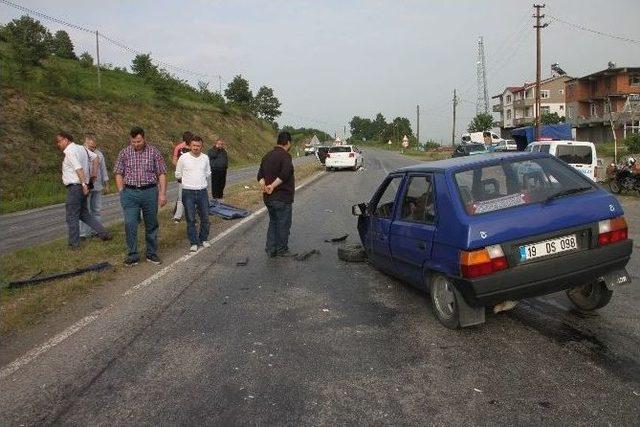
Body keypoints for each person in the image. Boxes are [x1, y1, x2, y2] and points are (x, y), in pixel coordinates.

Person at [114, 127, 168, 266]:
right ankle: (132, 254)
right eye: (133, 142)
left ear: (144, 138)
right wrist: (121, 192)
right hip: (130, 193)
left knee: (151, 224)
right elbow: (119, 173)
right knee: (130, 223)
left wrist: (162, 194)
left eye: (138, 141)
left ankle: (151, 253)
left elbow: (161, 173)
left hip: (149, 192)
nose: (136, 144)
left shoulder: (154, 152)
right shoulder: (124, 153)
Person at [55, 131, 112, 250]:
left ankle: (74, 244)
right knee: (84, 214)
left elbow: (79, 169)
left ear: (66, 140)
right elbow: (96, 158)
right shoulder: (82, 148)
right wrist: (93, 176)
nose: (58, 144)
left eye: (59, 141)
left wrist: (83, 184)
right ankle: (103, 233)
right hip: (83, 185)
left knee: (72, 216)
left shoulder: (70, 151)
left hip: (76, 187)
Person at [257, 131, 295, 257]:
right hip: (282, 197)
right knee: (283, 223)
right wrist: (272, 186)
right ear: (288, 143)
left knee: (273, 222)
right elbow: (285, 173)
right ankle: (281, 250)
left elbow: (260, 176)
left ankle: (270, 249)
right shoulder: (285, 156)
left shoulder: (267, 156)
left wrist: (264, 186)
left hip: (268, 198)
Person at [175, 135, 211, 252]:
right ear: (190, 145)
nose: (196, 148)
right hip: (188, 192)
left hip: (202, 191)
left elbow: (207, 172)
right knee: (190, 218)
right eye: (194, 145)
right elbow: (178, 174)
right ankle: (194, 242)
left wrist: (200, 181)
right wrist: (187, 183)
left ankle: (203, 239)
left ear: (202, 146)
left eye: (198, 146)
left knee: (205, 217)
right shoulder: (183, 158)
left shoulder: (205, 158)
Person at [79, 133, 109, 238]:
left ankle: (96, 230)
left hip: (97, 186)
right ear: (86, 142)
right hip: (85, 186)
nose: (93, 148)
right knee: (84, 211)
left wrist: (106, 184)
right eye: (91, 146)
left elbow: (103, 170)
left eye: (94, 147)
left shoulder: (99, 154)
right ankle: (83, 234)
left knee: (96, 209)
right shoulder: (80, 153)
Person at [171, 131, 194, 222]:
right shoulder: (179, 147)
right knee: (181, 196)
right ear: (184, 140)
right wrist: (179, 168)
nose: (189, 143)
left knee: (191, 196)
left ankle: (191, 215)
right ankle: (177, 216)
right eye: (188, 141)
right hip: (182, 175)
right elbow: (174, 160)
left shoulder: (194, 147)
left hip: (192, 175)